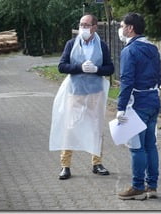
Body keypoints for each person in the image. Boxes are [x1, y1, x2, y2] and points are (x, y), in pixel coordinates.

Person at [49, 14, 114, 179]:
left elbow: (110, 68)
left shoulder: (102, 46)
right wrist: (79, 67)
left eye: (86, 25)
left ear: (94, 27)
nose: (83, 27)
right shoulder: (71, 44)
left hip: (95, 93)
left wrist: (97, 70)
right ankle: (65, 165)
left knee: (96, 127)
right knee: (69, 128)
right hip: (76, 92)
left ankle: (97, 162)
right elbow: (62, 66)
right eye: (81, 24)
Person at [116, 13, 161, 200]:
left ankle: (137, 187)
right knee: (151, 145)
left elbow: (127, 80)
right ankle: (152, 186)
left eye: (122, 25)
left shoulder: (129, 51)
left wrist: (121, 107)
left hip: (137, 103)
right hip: (153, 100)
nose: (121, 29)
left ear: (130, 28)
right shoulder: (153, 48)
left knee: (137, 147)